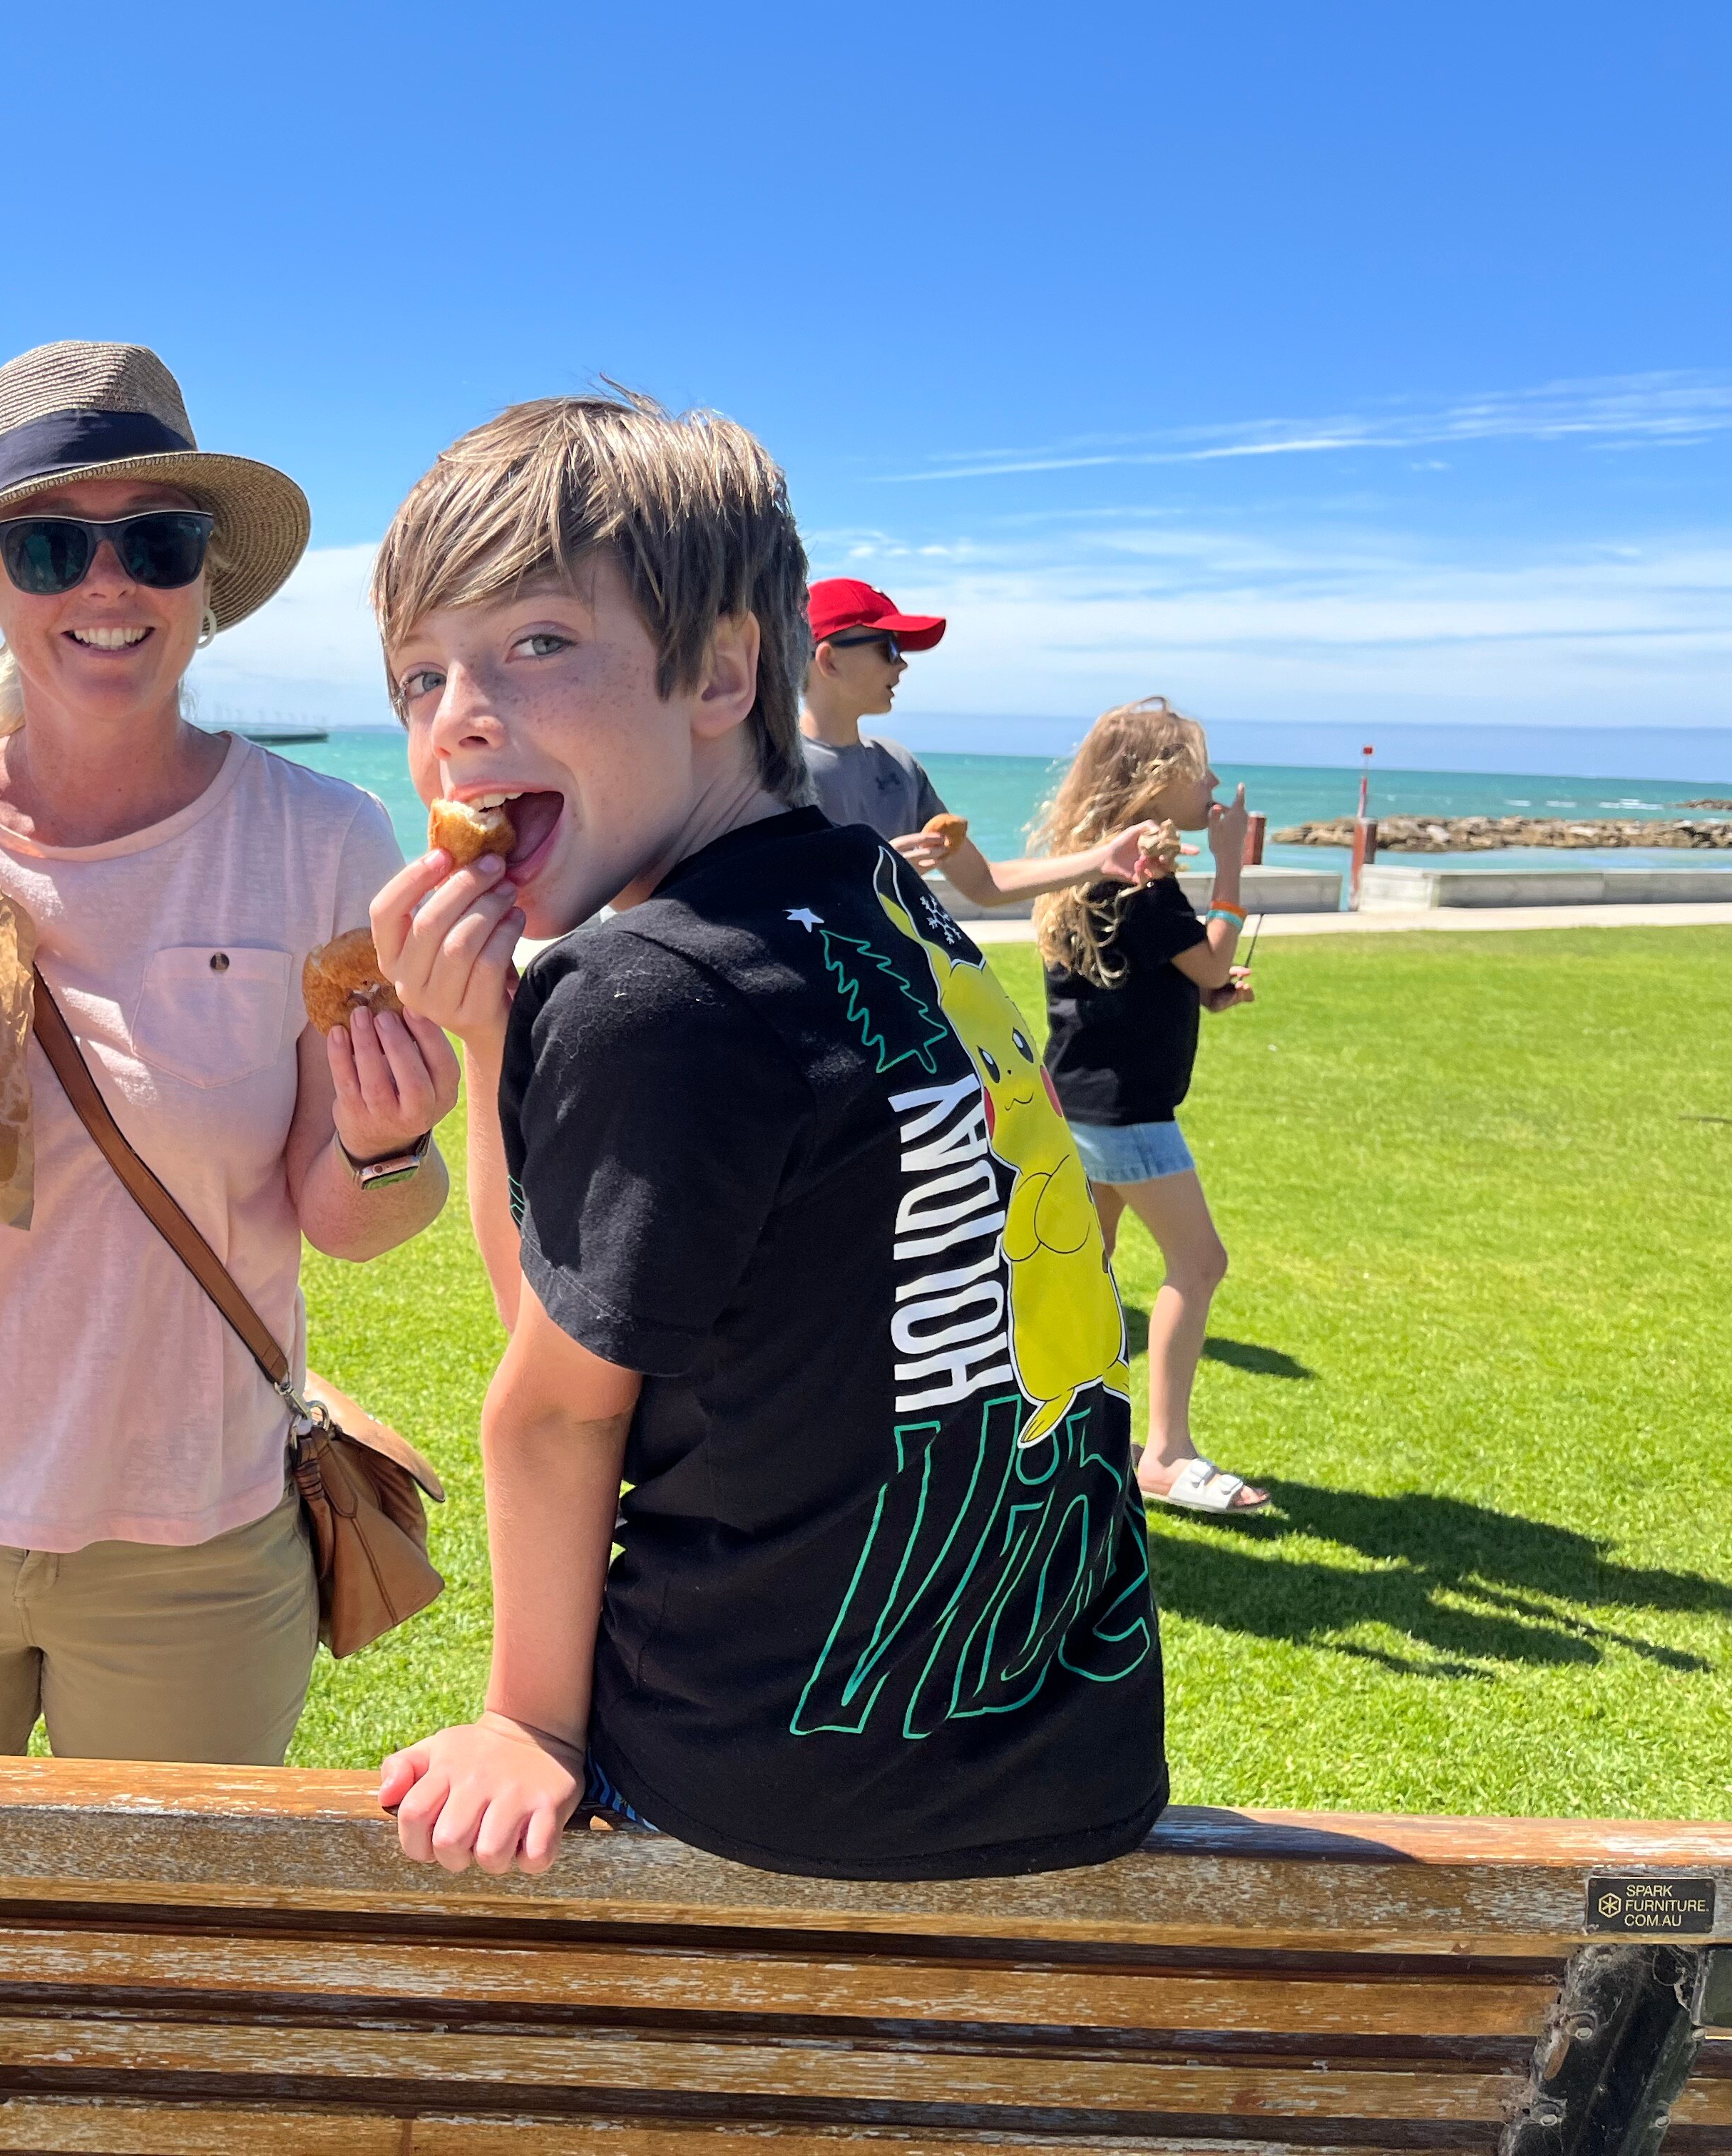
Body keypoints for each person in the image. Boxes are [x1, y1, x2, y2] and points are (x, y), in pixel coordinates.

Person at [366, 389, 1164, 1881]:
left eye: (537, 642)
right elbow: (602, 1297)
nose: (457, 717)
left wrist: (531, 1723)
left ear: (726, 667)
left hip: (780, 1782)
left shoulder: (647, 987)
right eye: (419, 674)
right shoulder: (874, 897)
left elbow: (554, 1398)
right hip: (1055, 1739)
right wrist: (493, 1033)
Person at [0, 341, 457, 1765]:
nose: (104, 584)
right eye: (51, 547)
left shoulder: (319, 841)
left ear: (205, 584)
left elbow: (360, 1223)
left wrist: (391, 1141)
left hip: (194, 1534)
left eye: (154, 544)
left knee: (165, 1972)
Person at [1034, 699, 1266, 1516]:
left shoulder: (1090, 869)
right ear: (1154, 781)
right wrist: (1233, 863)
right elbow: (1210, 962)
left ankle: (1064, 1439)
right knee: (1199, 1264)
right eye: (1199, 769)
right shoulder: (1149, 880)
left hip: (1078, 1102)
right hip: (1128, 1112)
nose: (1211, 784)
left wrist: (1197, 989)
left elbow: (1140, 979)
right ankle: (1165, 1454)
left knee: (1082, 1277)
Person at [799, 578, 1157, 906]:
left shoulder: (899, 765)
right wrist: (871, 876)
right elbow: (758, 905)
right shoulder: (770, 771)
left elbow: (985, 883)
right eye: (889, 648)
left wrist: (1106, 858)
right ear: (829, 661)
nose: (903, 665)